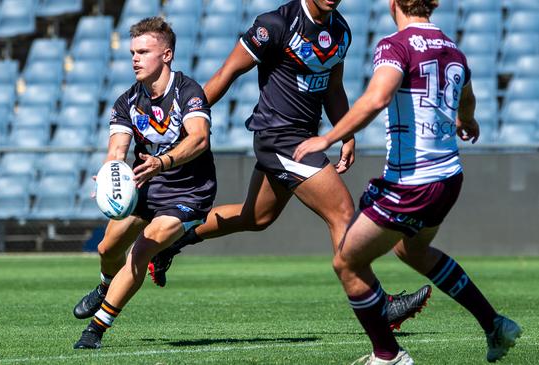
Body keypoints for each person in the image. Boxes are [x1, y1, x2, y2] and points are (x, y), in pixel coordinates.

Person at [147, 0, 431, 329]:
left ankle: (170, 243)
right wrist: (183, 123)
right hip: (278, 137)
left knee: (256, 216)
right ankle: (379, 304)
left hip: (302, 138)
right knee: (341, 211)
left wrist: (347, 134)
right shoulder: (275, 25)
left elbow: (333, 87)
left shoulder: (340, 31)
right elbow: (227, 73)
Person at [292, 0, 522, 363]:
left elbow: (379, 97)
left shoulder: (395, 45)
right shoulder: (453, 49)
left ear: (394, 3)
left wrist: (328, 137)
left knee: (347, 264)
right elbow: (468, 95)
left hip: (412, 183)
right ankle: (494, 324)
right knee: (410, 250)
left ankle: (388, 356)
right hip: (448, 178)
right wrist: (468, 120)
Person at [72, 16, 217, 349]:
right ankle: (106, 286)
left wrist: (162, 162)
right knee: (107, 248)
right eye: (132, 52)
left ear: (166, 55)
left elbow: (199, 139)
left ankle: (95, 330)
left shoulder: (188, 92)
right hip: (146, 188)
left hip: (188, 192)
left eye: (143, 51)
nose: (135, 59)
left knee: (142, 249)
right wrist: (109, 173)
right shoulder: (127, 101)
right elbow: (117, 150)